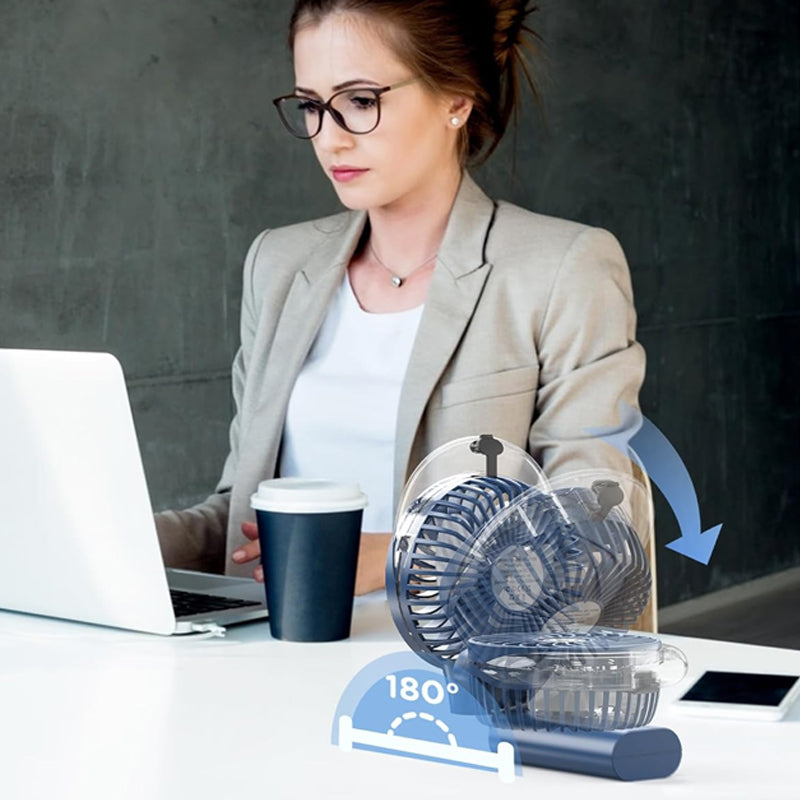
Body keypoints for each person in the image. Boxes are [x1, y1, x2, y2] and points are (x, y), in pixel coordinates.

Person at [155, 0, 646, 603]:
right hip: (278, 651)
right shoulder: (278, 266)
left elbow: (592, 533)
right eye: (311, 106)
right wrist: (116, 539)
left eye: (361, 102)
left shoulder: (562, 269)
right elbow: (241, 519)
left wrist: (397, 556)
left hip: (465, 665)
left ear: (457, 101)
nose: (329, 138)